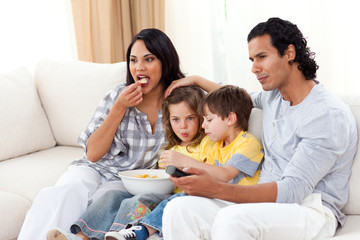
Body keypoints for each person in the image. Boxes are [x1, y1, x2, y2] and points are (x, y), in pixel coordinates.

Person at [162, 17, 358, 240]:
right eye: (252, 59)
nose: (254, 68)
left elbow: (292, 191)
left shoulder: (327, 115)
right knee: (179, 210)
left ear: (290, 53)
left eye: (262, 57)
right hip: (263, 204)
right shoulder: (274, 97)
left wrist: (216, 188)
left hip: (310, 209)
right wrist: (196, 80)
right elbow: (236, 99)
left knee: (233, 219)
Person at [18, 28, 187, 240]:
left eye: (149, 59)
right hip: (95, 168)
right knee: (66, 191)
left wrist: (195, 80)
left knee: (103, 203)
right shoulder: (118, 94)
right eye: (133, 60)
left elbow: (225, 98)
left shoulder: (181, 102)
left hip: (127, 180)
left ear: (166, 62)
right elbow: (93, 155)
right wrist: (119, 107)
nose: (139, 67)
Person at [46, 85, 207, 240]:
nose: (183, 126)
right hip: (159, 189)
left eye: (190, 118)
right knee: (112, 195)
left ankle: (117, 235)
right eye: (176, 120)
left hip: (175, 195)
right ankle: (81, 236)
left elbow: (227, 96)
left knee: (137, 201)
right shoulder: (170, 146)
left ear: (201, 117)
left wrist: (197, 80)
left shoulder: (206, 143)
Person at [105, 85, 264, 240]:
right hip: (217, 195)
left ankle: (142, 230)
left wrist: (184, 161)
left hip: (236, 200)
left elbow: (225, 175)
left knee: (179, 200)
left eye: (208, 119)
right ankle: (142, 230)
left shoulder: (248, 144)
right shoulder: (214, 144)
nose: (203, 125)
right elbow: (203, 171)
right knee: (179, 198)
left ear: (230, 119)